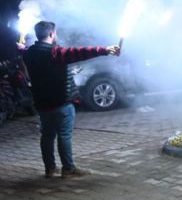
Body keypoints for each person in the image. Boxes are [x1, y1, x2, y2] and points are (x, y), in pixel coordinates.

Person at [22, 21, 120, 178]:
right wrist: (105, 49)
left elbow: (24, 51)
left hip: (42, 103)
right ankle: (68, 168)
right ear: (51, 34)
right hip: (61, 103)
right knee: (64, 135)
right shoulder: (55, 53)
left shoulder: (28, 54)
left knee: (47, 136)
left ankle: (49, 169)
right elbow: (81, 52)